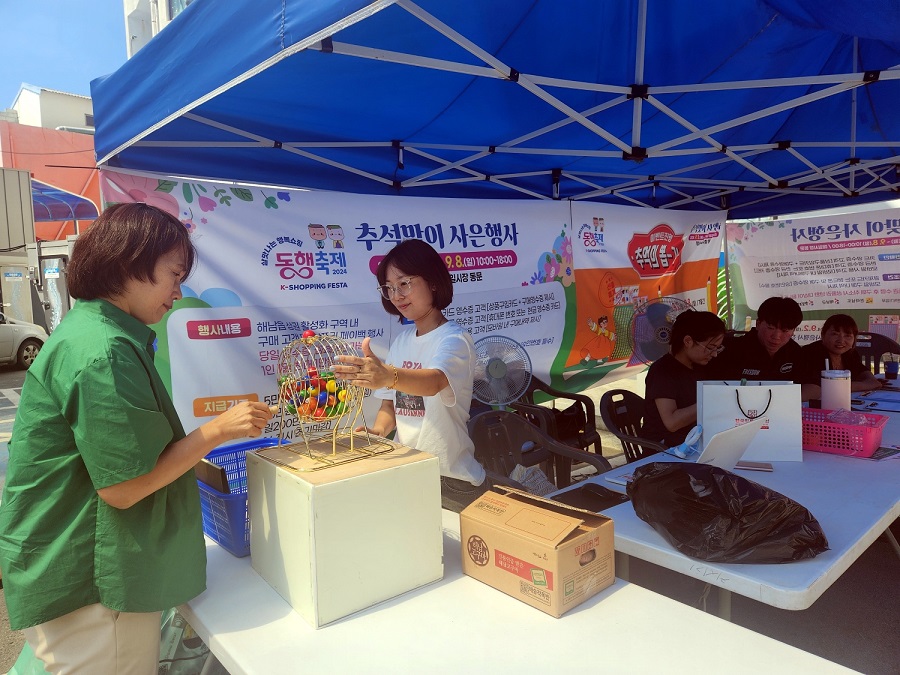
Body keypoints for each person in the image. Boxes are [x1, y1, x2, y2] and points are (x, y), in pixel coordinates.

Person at [0, 203, 273, 675]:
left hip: (82, 566)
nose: (178, 291)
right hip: (97, 581)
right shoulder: (102, 350)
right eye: (173, 273)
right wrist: (217, 430)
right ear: (130, 262)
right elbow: (125, 486)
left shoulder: (98, 334)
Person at [333, 239, 488, 512]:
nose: (396, 295)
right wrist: (379, 431)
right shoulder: (402, 341)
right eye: (389, 288)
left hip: (452, 480)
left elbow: (434, 381)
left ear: (433, 282)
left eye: (404, 283)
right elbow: (389, 405)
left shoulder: (454, 339)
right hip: (409, 471)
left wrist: (387, 375)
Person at [641, 310, 726, 447]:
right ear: (688, 341)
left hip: (693, 440)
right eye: (710, 348)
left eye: (718, 348)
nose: (714, 354)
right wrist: (710, 401)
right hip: (664, 449)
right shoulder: (662, 371)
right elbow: (672, 423)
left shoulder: (699, 365)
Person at [711, 296, 805, 383]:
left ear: (793, 331)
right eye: (770, 328)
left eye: (785, 331)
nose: (776, 336)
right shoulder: (731, 350)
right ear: (758, 324)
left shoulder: (796, 354)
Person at [799, 314, 882, 396]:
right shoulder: (811, 353)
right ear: (823, 335)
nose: (841, 340)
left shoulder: (850, 354)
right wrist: (866, 385)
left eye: (847, 336)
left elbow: (864, 373)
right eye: (835, 334)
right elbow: (823, 387)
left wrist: (871, 381)